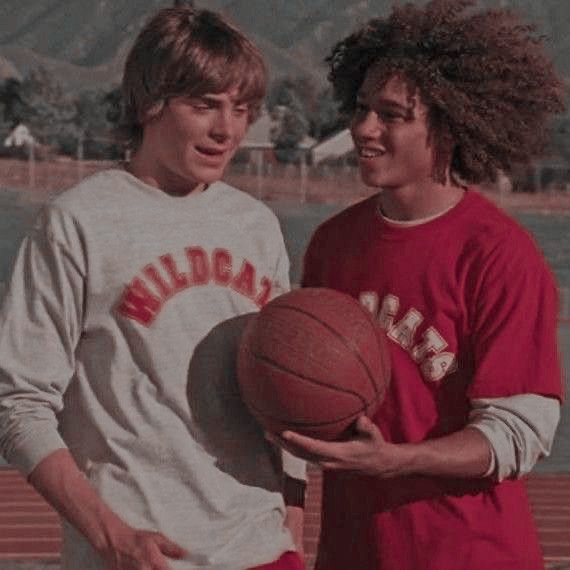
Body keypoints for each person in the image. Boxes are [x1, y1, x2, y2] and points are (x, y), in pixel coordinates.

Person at [0, 7, 306, 570]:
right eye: (205, 105)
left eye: (241, 109)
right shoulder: (78, 222)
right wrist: (110, 536)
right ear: (150, 103)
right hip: (143, 555)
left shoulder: (257, 225)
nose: (227, 129)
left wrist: (293, 505)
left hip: (261, 547)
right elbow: (18, 405)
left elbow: (283, 382)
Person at [272, 1, 566, 569]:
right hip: (355, 552)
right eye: (360, 109)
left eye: (391, 114)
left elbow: (519, 432)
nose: (364, 129)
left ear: (449, 128)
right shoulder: (332, 245)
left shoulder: (500, 254)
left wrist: (396, 460)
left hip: (471, 553)